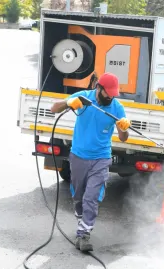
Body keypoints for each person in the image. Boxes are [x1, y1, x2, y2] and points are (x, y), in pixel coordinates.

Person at [50, 72, 131, 252]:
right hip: (78, 156)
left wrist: (124, 129)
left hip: (101, 158)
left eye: (113, 94)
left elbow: (123, 138)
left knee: (91, 197)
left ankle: (84, 234)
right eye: (107, 93)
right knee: (78, 196)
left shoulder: (117, 108)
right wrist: (68, 103)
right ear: (98, 88)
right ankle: (81, 221)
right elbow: (53, 109)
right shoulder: (83, 99)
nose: (110, 97)